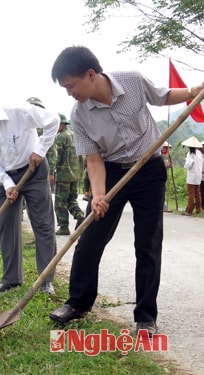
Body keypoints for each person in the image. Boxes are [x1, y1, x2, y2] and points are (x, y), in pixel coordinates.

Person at [48, 45, 204, 336]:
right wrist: (97, 195)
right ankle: (78, 303)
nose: (70, 93)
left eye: (71, 85)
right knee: (90, 237)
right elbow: (93, 160)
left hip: (149, 168)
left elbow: (163, 96)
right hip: (111, 171)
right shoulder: (79, 115)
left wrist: (192, 90)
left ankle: (145, 317)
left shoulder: (131, 80)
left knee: (147, 244)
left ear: (91, 74)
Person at [0, 84, 59, 294]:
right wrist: (8, 184)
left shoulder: (19, 111)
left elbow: (53, 120)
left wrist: (40, 149)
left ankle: (46, 281)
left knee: (43, 225)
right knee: (7, 224)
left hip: (33, 170)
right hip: (3, 177)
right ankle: (11, 279)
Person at [47, 113, 85, 235]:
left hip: (64, 175)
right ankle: (79, 216)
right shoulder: (74, 135)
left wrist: (51, 172)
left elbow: (55, 156)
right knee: (71, 199)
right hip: (75, 174)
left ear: (62, 125)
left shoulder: (60, 137)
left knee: (60, 201)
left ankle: (64, 226)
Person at [182, 136, 203, 216]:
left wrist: (185, 158)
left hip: (192, 177)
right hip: (198, 176)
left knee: (191, 194)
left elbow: (188, 165)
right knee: (198, 194)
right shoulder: (199, 153)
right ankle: (198, 209)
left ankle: (189, 211)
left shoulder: (190, 153)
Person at [161, 141, 173, 212]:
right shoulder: (159, 155)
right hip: (159, 175)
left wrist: (169, 165)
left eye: (166, 148)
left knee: (163, 191)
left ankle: (164, 206)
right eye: (164, 148)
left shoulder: (167, 156)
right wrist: (166, 165)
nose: (165, 149)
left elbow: (170, 165)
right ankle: (164, 206)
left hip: (164, 175)